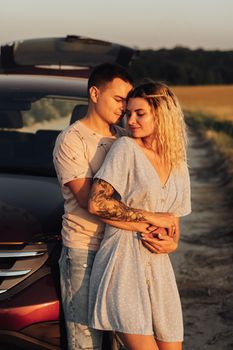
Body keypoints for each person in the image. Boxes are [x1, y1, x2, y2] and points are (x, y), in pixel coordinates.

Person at [53, 65, 175, 350]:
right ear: (95, 93)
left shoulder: (125, 137)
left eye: (127, 101)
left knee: (126, 339)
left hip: (125, 252)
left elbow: (153, 193)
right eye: (119, 99)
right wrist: (153, 220)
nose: (124, 108)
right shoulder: (72, 140)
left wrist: (169, 235)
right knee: (86, 342)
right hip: (85, 250)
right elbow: (92, 204)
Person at [88, 81, 191, 350]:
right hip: (122, 261)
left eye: (139, 113)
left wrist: (173, 243)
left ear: (162, 113)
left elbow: (173, 224)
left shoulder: (178, 162)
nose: (131, 121)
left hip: (158, 267)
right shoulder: (126, 149)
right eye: (128, 113)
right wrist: (151, 217)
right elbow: (97, 203)